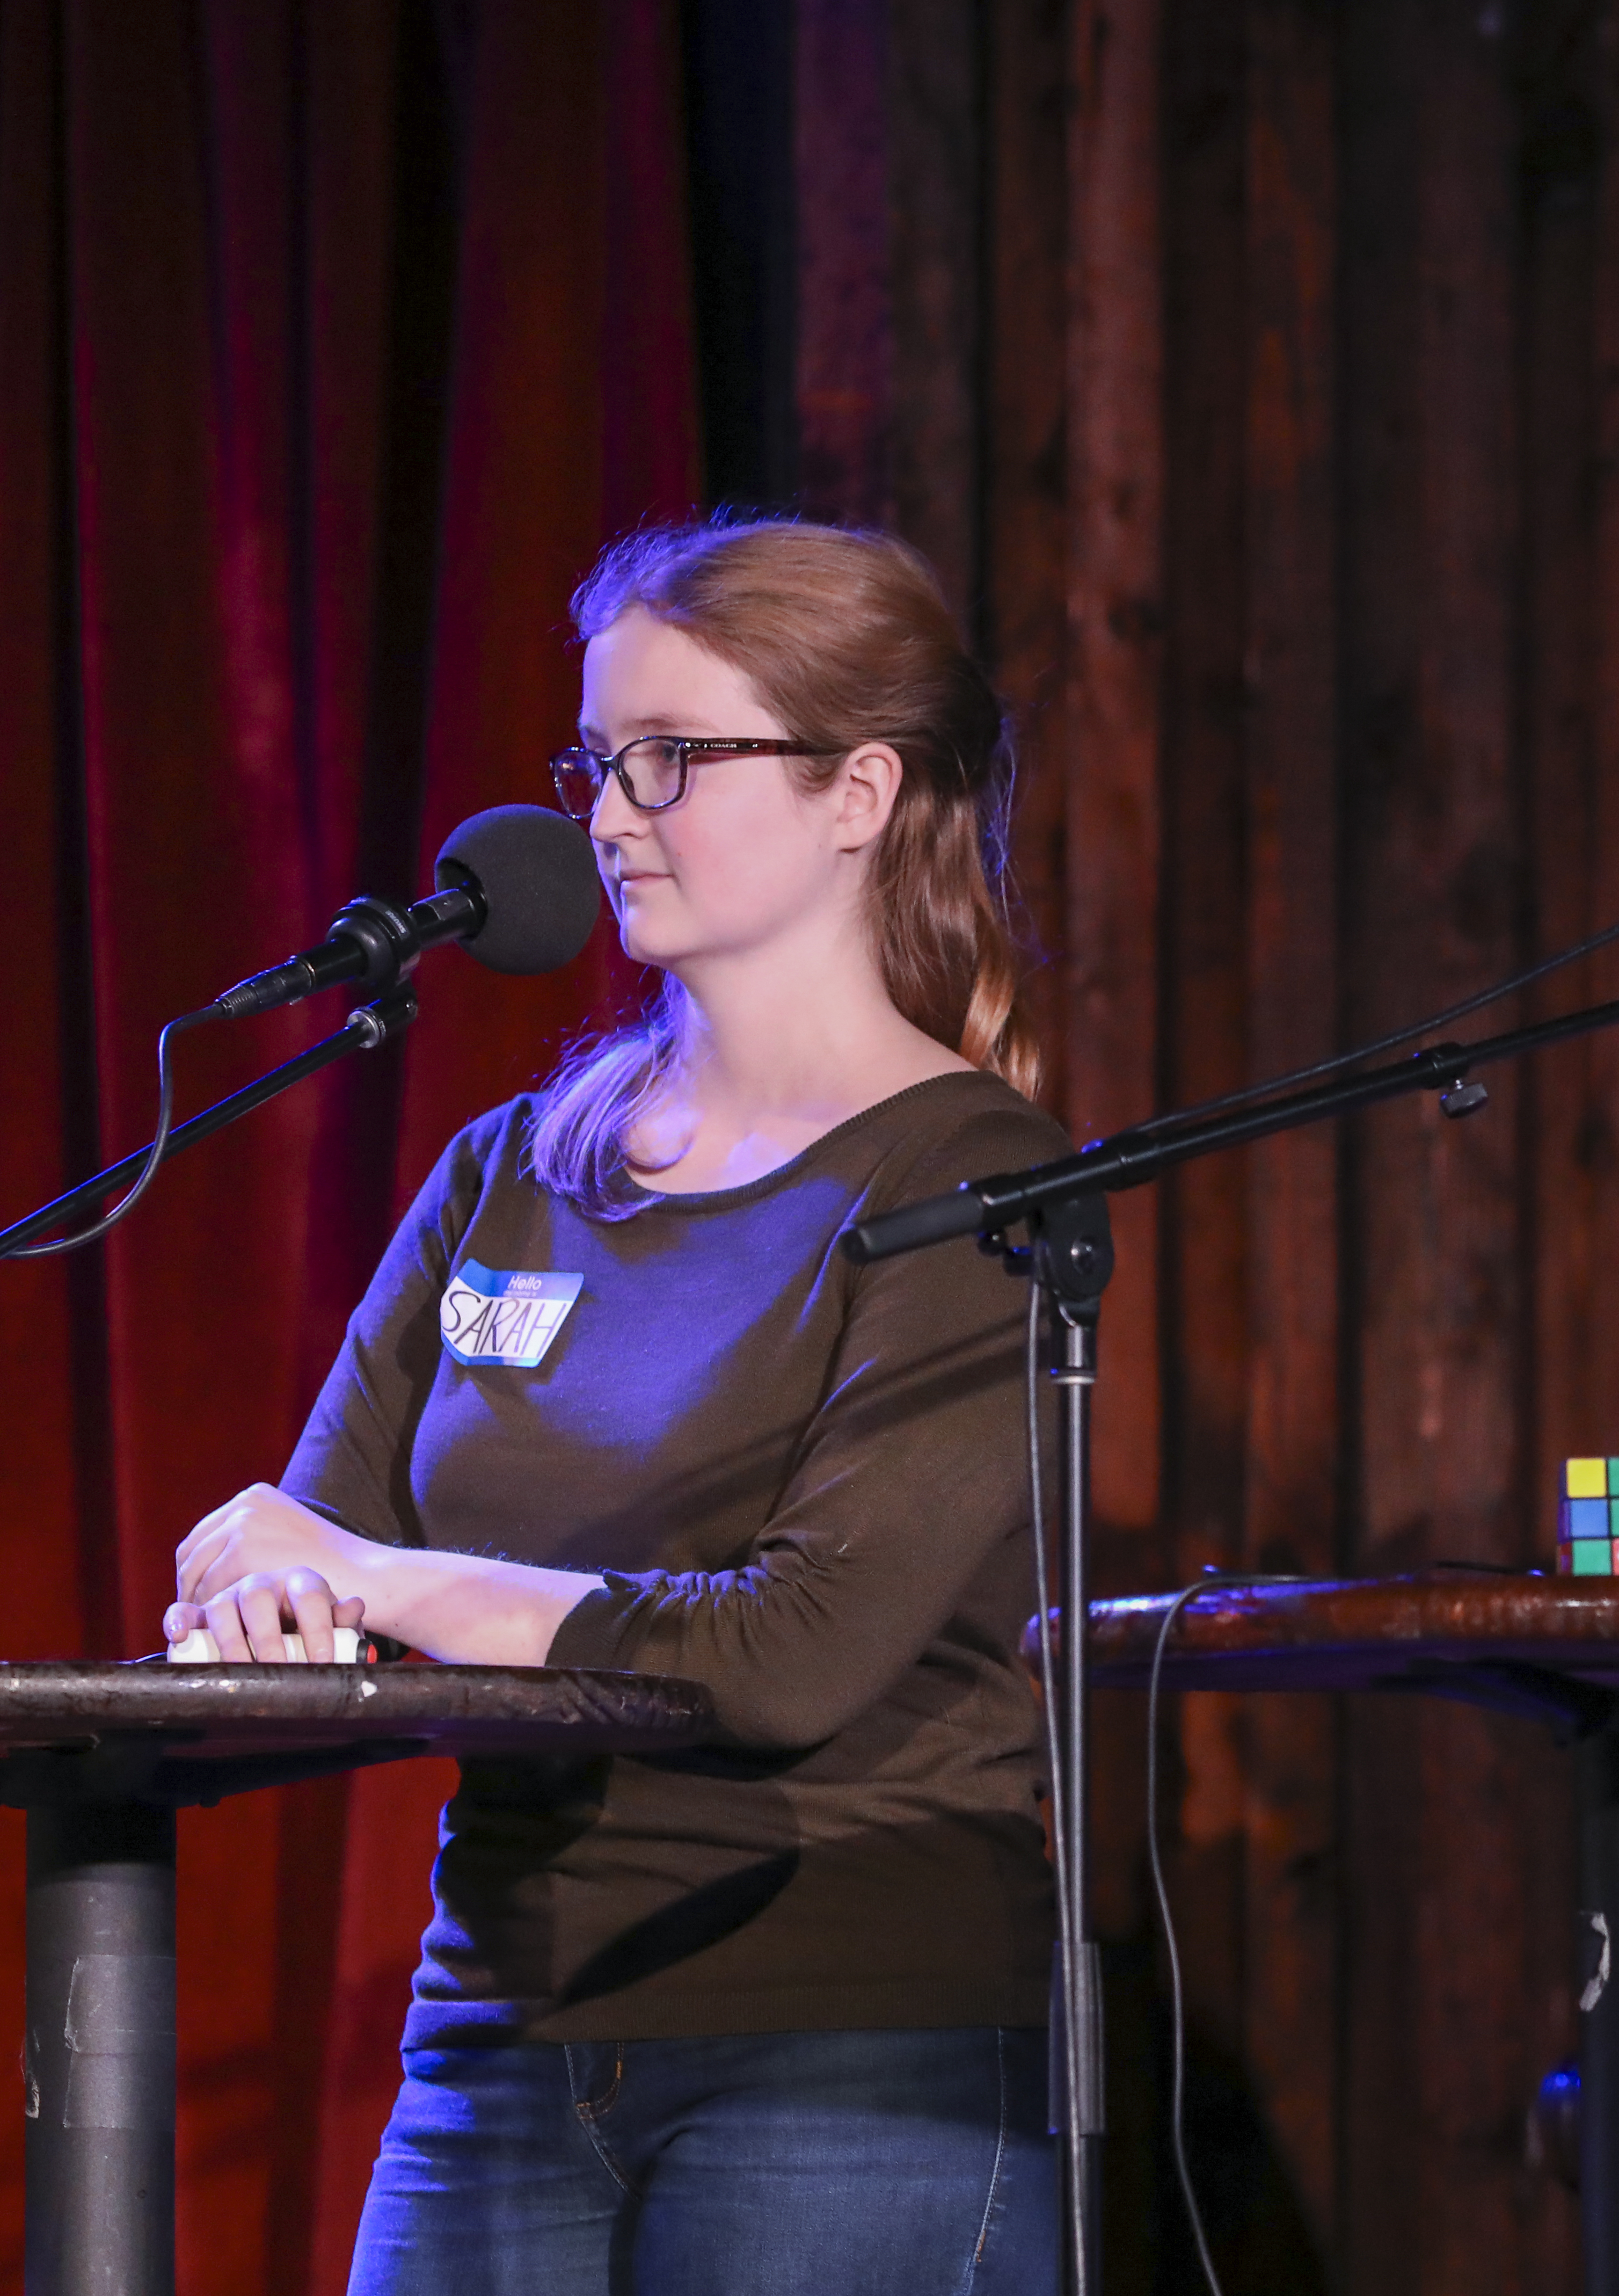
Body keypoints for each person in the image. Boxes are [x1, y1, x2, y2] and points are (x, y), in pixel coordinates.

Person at [163, 519, 1066, 2294]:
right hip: (501, 2028)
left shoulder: (980, 1182)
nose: (605, 812)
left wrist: (389, 1581)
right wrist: (261, 1577)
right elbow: (315, 1544)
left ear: (859, 792)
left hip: (851, 2052)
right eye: (597, 759)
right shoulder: (513, 1167)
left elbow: (792, 1653)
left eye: (672, 758)